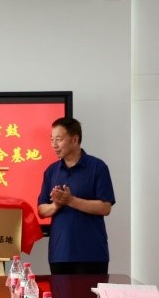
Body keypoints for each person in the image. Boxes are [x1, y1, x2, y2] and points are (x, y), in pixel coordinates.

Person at [37, 117, 115, 274]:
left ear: (74, 140)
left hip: (92, 254)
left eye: (59, 139)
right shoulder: (51, 171)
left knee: (90, 292)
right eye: (52, 139)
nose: (54, 145)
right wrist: (56, 205)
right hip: (60, 254)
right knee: (60, 291)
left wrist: (71, 200)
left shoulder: (98, 167)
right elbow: (41, 210)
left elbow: (105, 207)